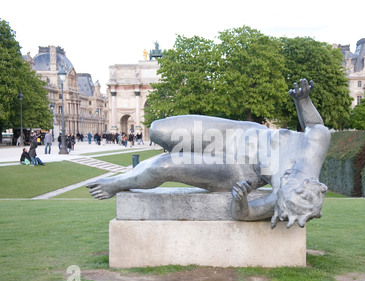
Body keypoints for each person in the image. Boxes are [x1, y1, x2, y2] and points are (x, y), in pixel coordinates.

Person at [87, 79, 331, 229]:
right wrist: (303, 101)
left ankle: (116, 183)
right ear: (308, 183)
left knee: (164, 166)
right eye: (291, 182)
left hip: (235, 169)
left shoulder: (281, 199)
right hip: (237, 133)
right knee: (158, 129)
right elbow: (315, 125)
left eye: (284, 187)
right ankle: (128, 177)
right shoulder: (314, 149)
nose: (284, 180)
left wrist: (240, 199)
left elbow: (244, 215)